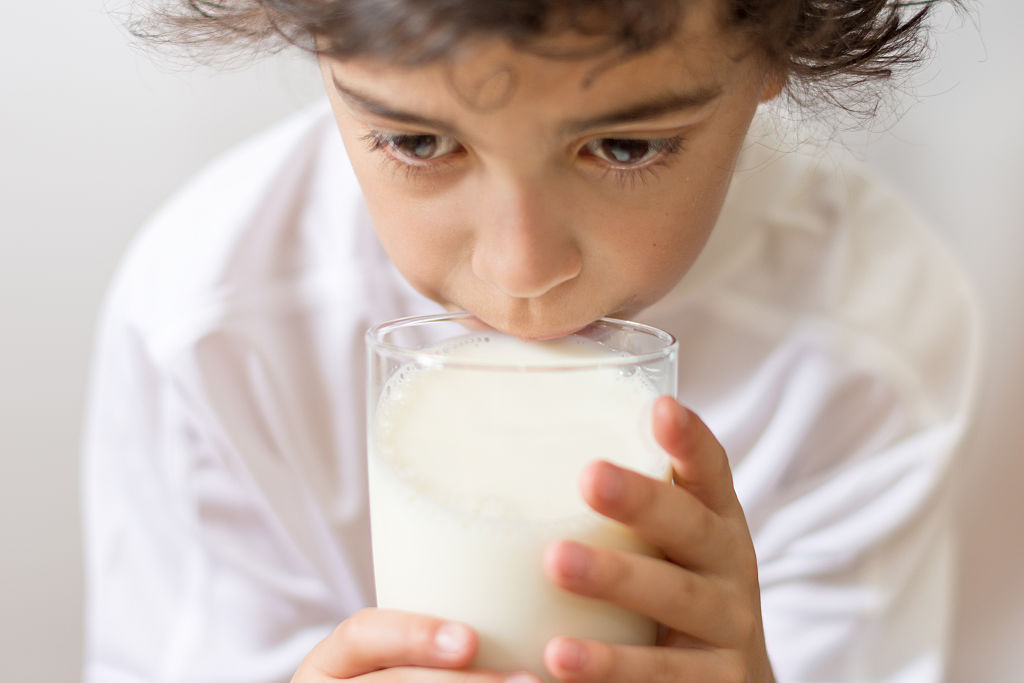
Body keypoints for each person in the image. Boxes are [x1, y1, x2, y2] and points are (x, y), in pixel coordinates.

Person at [82, 1, 980, 681]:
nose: (521, 273)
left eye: (626, 148)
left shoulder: (872, 341)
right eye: (418, 140)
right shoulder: (209, 327)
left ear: (776, 43)